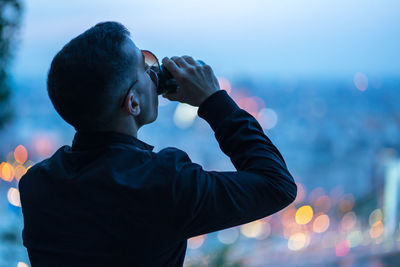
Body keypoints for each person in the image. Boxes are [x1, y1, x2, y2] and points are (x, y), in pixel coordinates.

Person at [19, 21, 297, 267]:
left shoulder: (37, 185)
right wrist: (214, 101)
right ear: (133, 102)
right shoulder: (165, 182)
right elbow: (276, 185)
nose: (155, 74)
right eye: (146, 69)